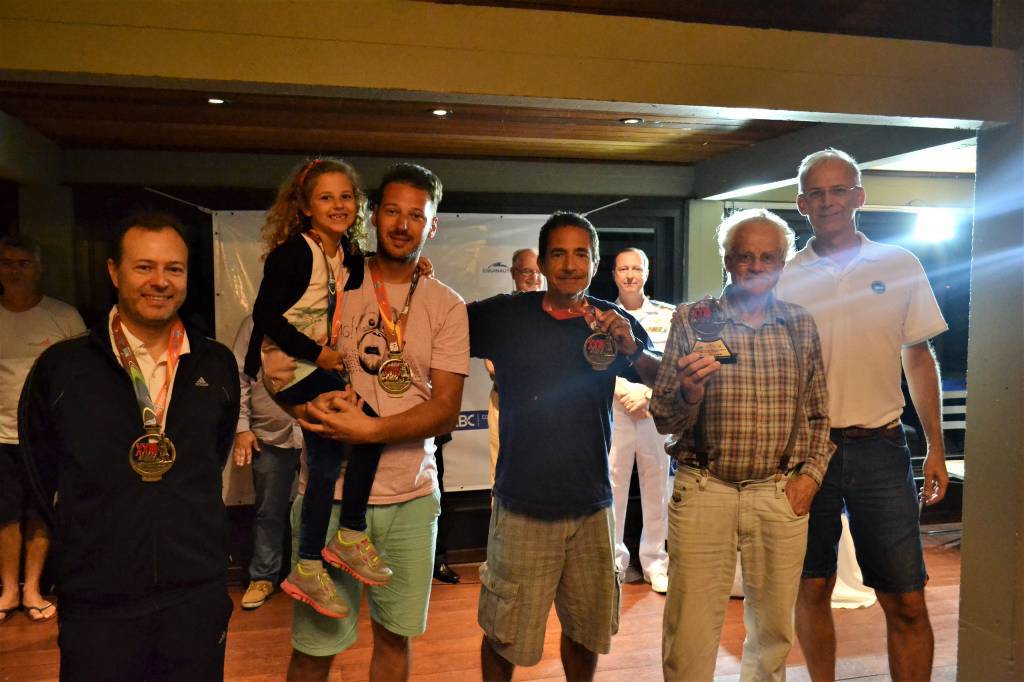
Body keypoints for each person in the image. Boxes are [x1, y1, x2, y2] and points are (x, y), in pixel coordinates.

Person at [19, 213, 239, 680]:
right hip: (97, 600)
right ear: (114, 272)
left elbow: (211, 456)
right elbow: (39, 474)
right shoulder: (64, 368)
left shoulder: (216, 364)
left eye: (174, 269)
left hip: (194, 595)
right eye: (144, 267)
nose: (160, 281)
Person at [285, 163, 468, 682]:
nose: (402, 225)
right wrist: (302, 410)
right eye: (392, 211)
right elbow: (282, 357)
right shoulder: (332, 280)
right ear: (373, 216)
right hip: (329, 496)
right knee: (314, 648)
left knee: (394, 638)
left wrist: (368, 432)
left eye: (416, 215)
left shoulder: (447, 305)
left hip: (410, 501)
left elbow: (445, 409)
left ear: (432, 225)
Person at [777, 148, 949, 682]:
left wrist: (936, 447)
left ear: (859, 197)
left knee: (907, 599)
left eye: (839, 190)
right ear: (802, 204)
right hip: (806, 453)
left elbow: (918, 357)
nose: (828, 201)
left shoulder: (900, 264)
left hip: (882, 448)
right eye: (817, 193)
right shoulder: (784, 275)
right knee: (811, 586)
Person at [470, 212, 660, 681]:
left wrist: (632, 349)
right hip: (522, 505)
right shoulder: (506, 314)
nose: (570, 265)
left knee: (586, 630)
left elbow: (662, 378)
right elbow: (437, 326)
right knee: (503, 633)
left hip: (591, 506)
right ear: (542, 261)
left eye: (580, 254)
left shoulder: (611, 320)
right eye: (558, 254)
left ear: (594, 263)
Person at [651, 209, 834, 681]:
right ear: (727, 260)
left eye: (767, 257)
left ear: (782, 263)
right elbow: (664, 417)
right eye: (744, 256)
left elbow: (818, 413)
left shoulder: (799, 324)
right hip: (704, 489)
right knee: (689, 636)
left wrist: (810, 479)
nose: (756, 266)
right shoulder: (694, 319)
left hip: (778, 493)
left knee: (773, 638)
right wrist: (689, 393)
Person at [245, 157, 390, 620]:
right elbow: (265, 316)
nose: (338, 204)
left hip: (315, 366)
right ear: (305, 207)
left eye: (346, 196)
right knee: (370, 428)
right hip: (292, 366)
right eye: (326, 197)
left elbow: (375, 275)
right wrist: (318, 352)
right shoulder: (293, 253)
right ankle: (350, 533)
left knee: (326, 461)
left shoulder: (346, 252)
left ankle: (308, 562)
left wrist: (417, 266)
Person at [0, 234, 85, 624]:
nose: (14, 271)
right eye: (7, 263)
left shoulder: (63, 316)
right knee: (5, 514)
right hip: (0, 436)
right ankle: (8, 590)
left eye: (23, 263)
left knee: (40, 512)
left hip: (46, 437)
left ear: (38, 268)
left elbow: (83, 378)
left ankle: (33, 589)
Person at [607, 247, 674, 594]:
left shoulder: (668, 315)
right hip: (616, 408)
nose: (630, 275)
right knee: (613, 484)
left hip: (653, 409)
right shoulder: (601, 315)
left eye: (636, 268)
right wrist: (623, 391)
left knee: (657, 485)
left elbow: (672, 362)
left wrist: (647, 394)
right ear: (614, 274)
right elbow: (594, 364)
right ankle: (615, 561)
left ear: (647, 272)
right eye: (623, 269)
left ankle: (655, 561)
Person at [230, 315, 302, 610]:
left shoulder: (327, 316)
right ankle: (263, 577)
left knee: (316, 509)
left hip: (320, 431)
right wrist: (242, 427)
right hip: (269, 435)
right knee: (268, 511)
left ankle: (309, 575)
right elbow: (240, 377)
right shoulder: (255, 324)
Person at [486, 247, 542, 483]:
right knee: (501, 476)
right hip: (506, 404)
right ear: (513, 273)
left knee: (542, 476)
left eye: (539, 271)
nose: (534, 278)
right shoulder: (499, 312)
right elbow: (492, 367)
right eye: (527, 271)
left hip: (546, 407)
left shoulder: (557, 313)